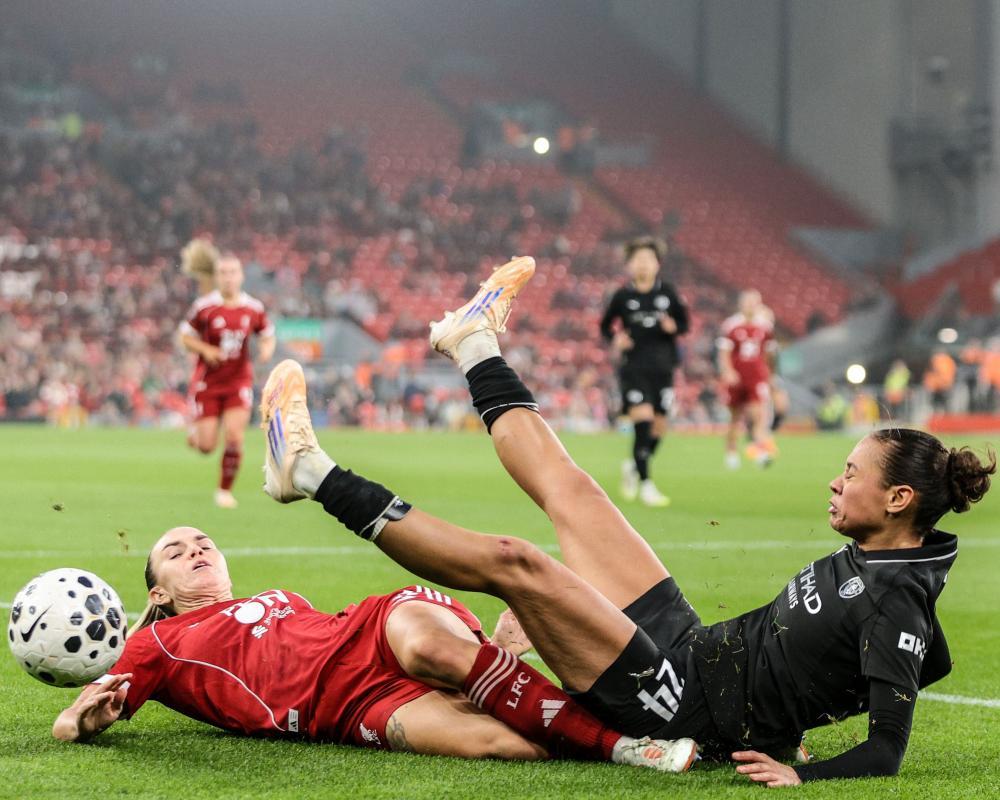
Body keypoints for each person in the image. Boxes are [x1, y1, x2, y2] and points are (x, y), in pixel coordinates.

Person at [259, 255, 993, 786]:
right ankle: (475, 341)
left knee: (518, 564)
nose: (836, 482)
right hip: (691, 647)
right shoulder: (887, 566)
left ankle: (312, 474)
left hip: (671, 705)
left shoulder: (897, 599)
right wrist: (794, 719)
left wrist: (801, 772)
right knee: (576, 492)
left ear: (899, 501)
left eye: (853, 475)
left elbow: (886, 751)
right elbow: (870, 663)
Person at [52, 532, 697, 774]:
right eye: (176, 552)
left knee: (428, 648)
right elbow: (75, 714)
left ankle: (630, 747)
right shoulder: (155, 641)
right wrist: (81, 720)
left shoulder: (280, 594)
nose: (197, 549)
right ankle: (499, 655)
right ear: (158, 592)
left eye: (204, 543)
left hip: (373, 628)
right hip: (348, 706)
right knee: (507, 746)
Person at [178, 252, 276, 508]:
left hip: (238, 381)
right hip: (208, 383)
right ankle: (197, 435)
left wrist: (266, 350)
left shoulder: (253, 308)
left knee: (234, 437)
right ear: (217, 277)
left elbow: (267, 334)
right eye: (223, 273)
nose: (228, 278)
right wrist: (206, 350)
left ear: (241, 276)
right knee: (207, 447)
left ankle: (224, 491)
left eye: (233, 272)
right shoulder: (204, 307)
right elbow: (185, 337)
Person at [599, 237, 689, 506]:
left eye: (648, 259)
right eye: (638, 259)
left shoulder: (668, 293)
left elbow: (685, 323)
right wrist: (616, 339)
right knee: (644, 421)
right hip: (633, 368)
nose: (643, 264)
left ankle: (633, 465)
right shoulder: (623, 296)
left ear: (657, 264)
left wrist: (675, 328)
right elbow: (605, 326)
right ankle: (647, 484)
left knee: (660, 427)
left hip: (663, 368)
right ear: (629, 265)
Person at [717, 290, 777, 469]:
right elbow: (724, 352)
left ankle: (760, 452)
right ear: (741, 304)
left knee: (758, 416)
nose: (751, 305)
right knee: (735, 417)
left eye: (754, 302)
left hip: (756, 377)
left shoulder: (765, 326)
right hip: (737, 378)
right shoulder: (731, 325)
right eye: (748, 302)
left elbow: (769, 353)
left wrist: (769, 374)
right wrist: (728, 371)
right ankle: (731, 451)